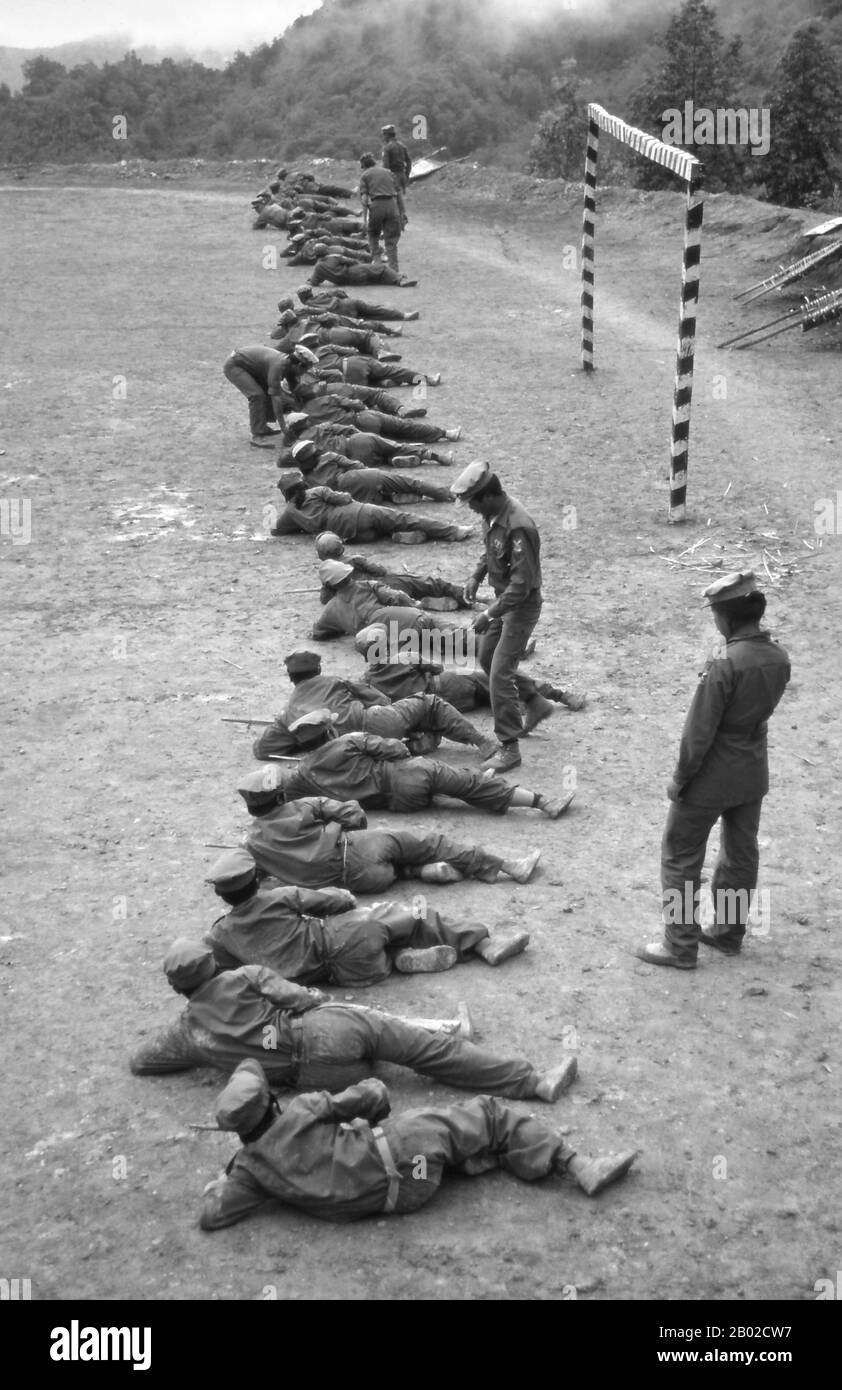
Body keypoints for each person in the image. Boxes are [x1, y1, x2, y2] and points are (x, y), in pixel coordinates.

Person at [198, 1063, 637, 1229]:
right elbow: (374, 1095)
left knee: (441, 1152)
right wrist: (362, 1112)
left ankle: (475, 1159)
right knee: (486, 1113)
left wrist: (232, 1170)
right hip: (411, 1159)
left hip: (405, 1198)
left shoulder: (249, 1172)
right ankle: (577, 1164)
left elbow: (212, 1214)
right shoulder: (304, 1109)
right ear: (272, 1101)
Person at [130, 940, 576, 1102]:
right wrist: (317, 998)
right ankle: (532, 1083)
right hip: (325, 1032)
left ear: (177, 989)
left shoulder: (187, 1034)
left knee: (388, 1056)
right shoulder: (245, 976)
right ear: (213, 965)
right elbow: (299, 997)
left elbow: (141, 1062)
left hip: (318, 1079)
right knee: (428, 1053)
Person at [638, 571, 791, 970]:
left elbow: (698, 732)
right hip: (752, 771)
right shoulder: (778, 657)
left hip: (710, 774)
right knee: (740, 855)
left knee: (680, 857)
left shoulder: (724, 662)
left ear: (727, 618)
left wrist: (680, 779)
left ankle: (679, 944)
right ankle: (727, 933)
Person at [203, 847, 529, 982]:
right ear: (256, 879)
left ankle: (398, 959)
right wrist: (342, 897)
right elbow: (334, 903)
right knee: (408, 914)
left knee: (369, 945)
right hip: (342, 939)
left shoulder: (218, 936)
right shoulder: (280, 897)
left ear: (220, 894)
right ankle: (482, 943)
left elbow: (227, 973)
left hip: (328, 978)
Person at [453, 461, 560, 772]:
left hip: (520, 607)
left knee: (499, 672)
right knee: (487, 658)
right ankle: (536, 701)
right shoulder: (492, 516)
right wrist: (476, 575)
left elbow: (522, 586)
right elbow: (490, 551)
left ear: (486, 496)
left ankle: (509, 746)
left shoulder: (519, 526)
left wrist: (488, 613)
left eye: (472, 501)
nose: (470, 508)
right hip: (504, 603)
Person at [240, 792, 542, 891]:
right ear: (279, 795)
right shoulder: (302, 806)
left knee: (392, 870)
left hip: (353, 884)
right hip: (354, 848)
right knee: (431, 842)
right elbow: (353, 813)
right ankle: (507, 866)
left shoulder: (251, 843)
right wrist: (339, 827)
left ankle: (417, 873)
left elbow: (252, 878)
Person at [243, 732, 574, 818]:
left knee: (453, 792)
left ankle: (454, 790)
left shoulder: (300, 781)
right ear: (327, 730)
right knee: (471, 784)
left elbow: (281, 800)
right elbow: (397, 751)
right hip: (409, 773)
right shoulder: (348, 741)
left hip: (397, 803)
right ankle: (543, 803)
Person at [254, 647, 496, 759]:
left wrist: (297, 741)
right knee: (428, 704)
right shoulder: (336, 681)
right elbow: (381, 699)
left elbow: (262, 749)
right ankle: (481, 742)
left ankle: (411, 745)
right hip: (373, 723)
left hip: (337, 749)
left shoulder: (287, 715)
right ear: (318, 669)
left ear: (290, 678)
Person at [354, 622, 586, 711]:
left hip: (436, 709)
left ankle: (514, 704)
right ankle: (560, 695)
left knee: (483, 695)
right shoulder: (406, 656)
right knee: (497, 677)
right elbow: (437, 668)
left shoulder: (367, 680)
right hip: (447, 686)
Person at [271, 471, 472, 545]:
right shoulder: (318, 491)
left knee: (377, 533)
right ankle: (453, 531)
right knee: (406, 518)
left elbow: (277, 530)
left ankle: (395, 535)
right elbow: (345, 498)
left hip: (349, 536)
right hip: (360, 512)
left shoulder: (290, 512)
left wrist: (302, 526)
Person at [310, 559, 468, 641]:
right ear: (349, 574)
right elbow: (397, 596)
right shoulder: (366, 585)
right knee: (455, 636)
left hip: (381, 641)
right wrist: (414, 605)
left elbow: (318, 632)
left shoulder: (331, 609)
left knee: (430, 642)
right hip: (404, 619)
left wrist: (344, 627)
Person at [314, 532, 470, 609]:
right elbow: (380, 570)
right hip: (388, 583)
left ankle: (423, 604)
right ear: (342, 547)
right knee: (429, 583)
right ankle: (466, 595)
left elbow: (325, 600)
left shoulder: (329, 576)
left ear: (321, 554)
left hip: (372, 598)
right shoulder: (355, 559)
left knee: (396, 604)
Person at [289, 440, 451, 506]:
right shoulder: (328, 456)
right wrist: (371, 474)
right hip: (357, 477)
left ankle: (388, 497)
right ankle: (445, 494)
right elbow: (356, 464)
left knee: (375, 498)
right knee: (411, 483)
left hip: (346, 497)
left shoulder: (305, 478)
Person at [281, 420, 454, 468]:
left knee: (377, 459)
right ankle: (438, 457)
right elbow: (348, 428)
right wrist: (361, 436)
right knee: (394, 446)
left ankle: (390, 461)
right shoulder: (321, 427)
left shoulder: (299, 446)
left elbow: (281, 461)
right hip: (355, 442)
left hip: (349, 461)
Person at [222, 344, 288, 447]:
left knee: (267, 391)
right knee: (257, 395)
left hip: (249, 365)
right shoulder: (278, 366)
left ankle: (262, 427)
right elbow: (276, 397)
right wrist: (283, 426)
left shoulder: (287, 362)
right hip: (234, 365)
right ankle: (257, 435)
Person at [359, 151, 404, 272]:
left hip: (377, 205)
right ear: (374, 162)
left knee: (373, 235)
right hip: (392, 205)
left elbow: (364, 199)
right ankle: (394, 270)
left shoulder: (365, 175)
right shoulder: (389, 172)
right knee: (392, 239)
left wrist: (364, 219)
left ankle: (377, 266)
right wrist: (402, 212)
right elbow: (399, 194)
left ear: (363, 166)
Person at [298, 283, 419, 323]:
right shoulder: (322, 294)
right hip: (349, 303)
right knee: (375, 309)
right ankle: (404, 315)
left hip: (342, 315)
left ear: (301, 299)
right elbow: (338, 291)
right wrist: (347, 299)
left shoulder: (309, 308)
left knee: (366, 320)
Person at [309, 247, 417, 288]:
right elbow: (352, 261)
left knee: (378, 276)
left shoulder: (317, 268)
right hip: (354, 272)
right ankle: (400, 279)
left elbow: (314, 282)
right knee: (382, 268)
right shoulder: (334, 257)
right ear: (326, 251)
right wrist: (362, 264)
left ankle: (395, 277)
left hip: (350, 282)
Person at [381, 123, 412, 191]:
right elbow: (409, 161)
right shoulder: (402, 146)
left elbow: (385, 166)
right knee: (401, 199)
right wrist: (406, 175)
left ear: (387, 135)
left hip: (393, 177)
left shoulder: (387, 148)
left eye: (384, 135)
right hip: (402, 176)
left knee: (393, 199)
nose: (383, 137)